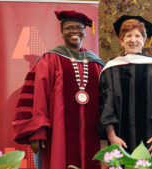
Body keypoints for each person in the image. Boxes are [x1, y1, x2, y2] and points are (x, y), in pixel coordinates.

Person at [12, 10, 104, 169]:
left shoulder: (97, 63)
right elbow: (38, 96)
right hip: (58, 132)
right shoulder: (50, 59)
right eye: (69, 28)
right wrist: (37, 131)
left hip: (92, 133)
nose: (74, 31)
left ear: (85, 31)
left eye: (79, 27)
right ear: (61, 32)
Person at [99, 15, 152, 157]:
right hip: (120, 140)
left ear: (144, 40)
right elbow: (106, 106)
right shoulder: (110, 69)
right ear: (121, 40)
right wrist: (112, 136)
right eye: (128, 36)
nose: (133, 40)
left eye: (138, 36)